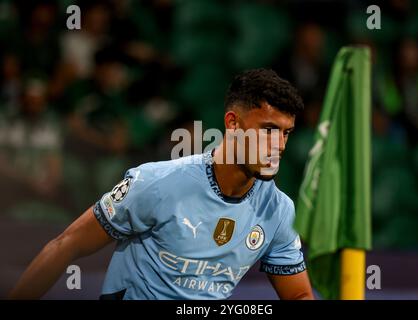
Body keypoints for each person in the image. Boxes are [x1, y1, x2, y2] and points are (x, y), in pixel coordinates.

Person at [9, 69, 314, 300]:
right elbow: (67, 243)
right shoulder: (157, 182)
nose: (280, 145)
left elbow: (298, 295)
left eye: (286, 133)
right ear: (233, 123)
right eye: (269, 130)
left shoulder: (278, 210)